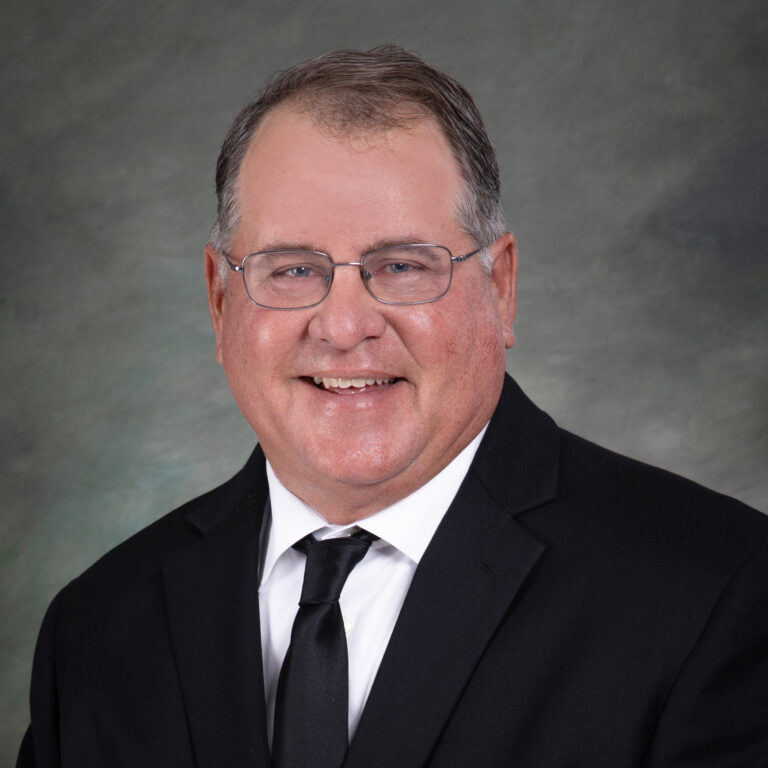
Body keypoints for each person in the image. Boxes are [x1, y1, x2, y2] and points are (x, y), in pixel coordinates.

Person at [18, 45, 768, 768]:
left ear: (500, 288)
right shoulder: (98, 628)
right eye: (293, 269)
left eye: (402, 266)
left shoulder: (717, 592)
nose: (345, 327)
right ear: (220, 302)